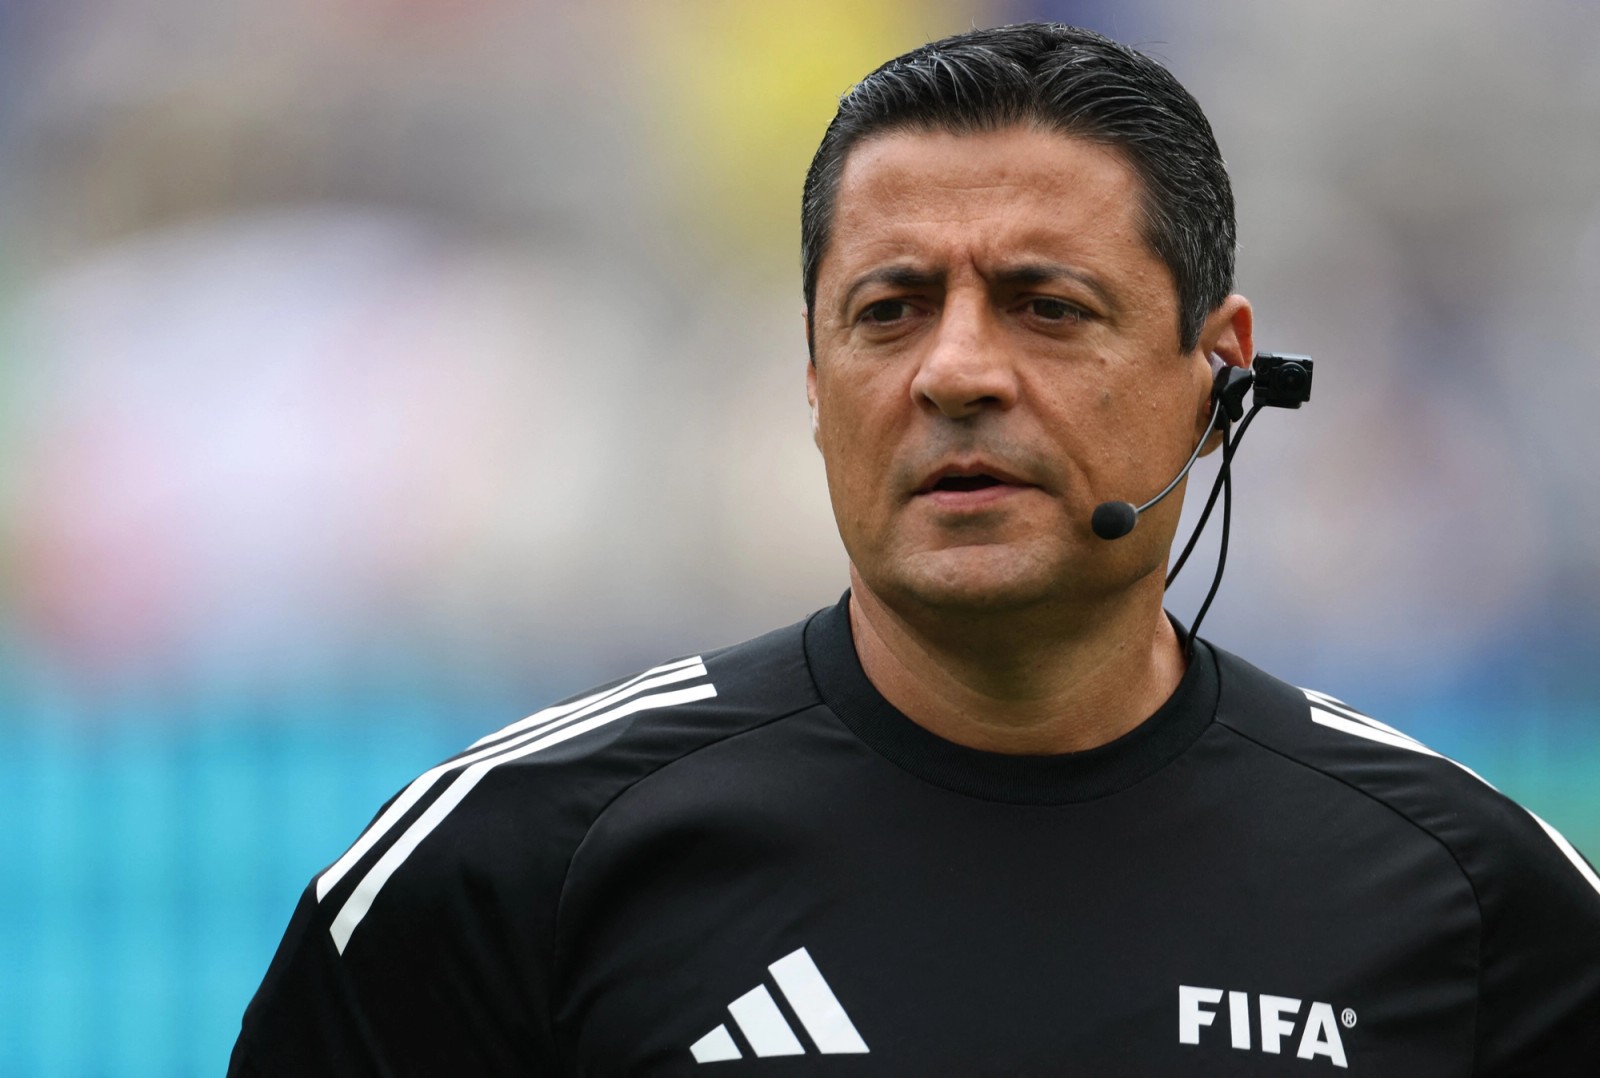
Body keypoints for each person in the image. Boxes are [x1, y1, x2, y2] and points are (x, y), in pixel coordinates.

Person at [230, 23, 1600, 1075]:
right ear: (812, 378)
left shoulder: (1474, 895)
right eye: (888, 310)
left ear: (1218, 373)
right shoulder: (508, 863)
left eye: (1046, 305)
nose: (954, 371)